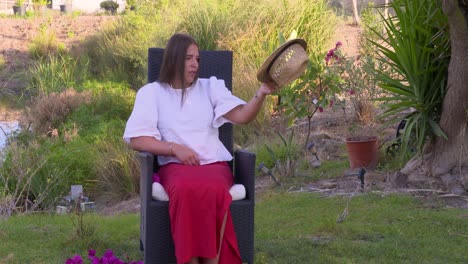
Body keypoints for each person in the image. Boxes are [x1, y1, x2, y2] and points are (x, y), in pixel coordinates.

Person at [123, 33, 277, 264]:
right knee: (185, 188)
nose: (195, 64)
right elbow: (137, 139)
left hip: (213, 165)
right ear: (174, 60)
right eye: (188, 58)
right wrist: (175, 149)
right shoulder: (152, 93)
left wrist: (261, 93)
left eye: (197, 59)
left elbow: (243, 115)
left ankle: (210, 261)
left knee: (214, 188)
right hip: (175, 167)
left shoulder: (210, 87)